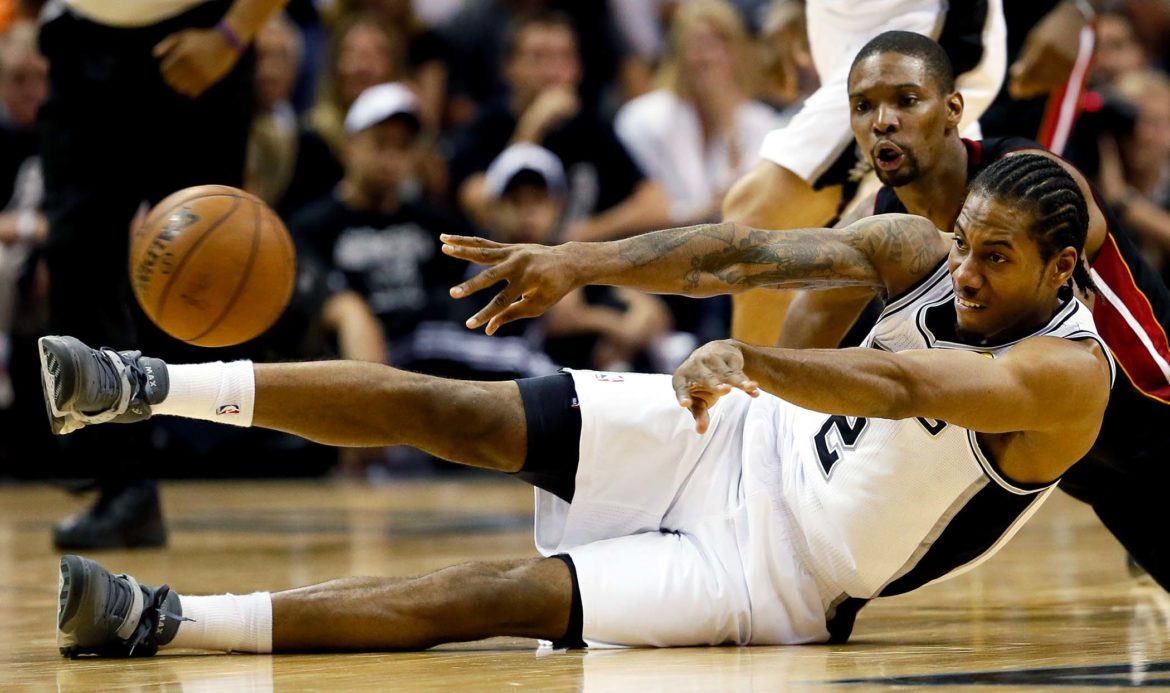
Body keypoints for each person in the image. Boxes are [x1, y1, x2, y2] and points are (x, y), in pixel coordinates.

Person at [45, 152, 1112, 656]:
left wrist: (750, 357)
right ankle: (140, 383)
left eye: (995, 257)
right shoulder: (916, 250)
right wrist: (576, 259)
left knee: (495, 596)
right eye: (964, 242)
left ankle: (166, 621)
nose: (965, 271)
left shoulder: (1068, 377)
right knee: (457, 410)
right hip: (732, 435)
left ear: (1061, 268)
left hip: (772, 580)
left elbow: (906, 383)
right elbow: (735, 251)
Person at [776, 30, 1170, 590]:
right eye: (864, 107)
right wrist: (763, 420)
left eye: (906, 101)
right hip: (1075, 448)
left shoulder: (1029, 182)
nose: (884, 121)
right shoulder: (880, 220)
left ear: (952, 110)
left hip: (1149, 401)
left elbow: (1069, 285)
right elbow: (811, 316)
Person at [38, 0, 288, 550]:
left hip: (198, 38)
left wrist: (233, 33)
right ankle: (124, 486)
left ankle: (260, 446)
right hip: (82, 43)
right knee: (77, 261)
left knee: (206, 274)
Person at [724, 0, 1008, 346]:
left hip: (920, 21)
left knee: (761, 216)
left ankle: (751, 379)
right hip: (845, 24)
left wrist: (1071, 14)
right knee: (920, 234)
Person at [448, 11, 669, 243]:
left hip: (579, 261)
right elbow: (480, 205)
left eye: (564, 58)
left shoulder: (592, 128)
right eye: (539, 58)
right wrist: (531, 128)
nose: (553, 72)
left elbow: (658, 205)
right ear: (509, 67)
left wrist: (582, 236)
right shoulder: (488, 125)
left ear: (578, 68)